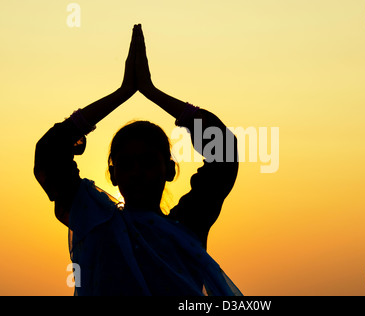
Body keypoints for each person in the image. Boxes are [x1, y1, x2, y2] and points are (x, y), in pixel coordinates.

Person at [34, 24, 242, 296]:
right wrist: (121, 93)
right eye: (127, 164)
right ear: (113, 174)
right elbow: (50, 152)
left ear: (168, 169)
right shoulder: (94, 220)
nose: (137, 173)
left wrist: (151, 91)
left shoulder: (188, 225)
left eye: (147, 162)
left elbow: (224, 149)